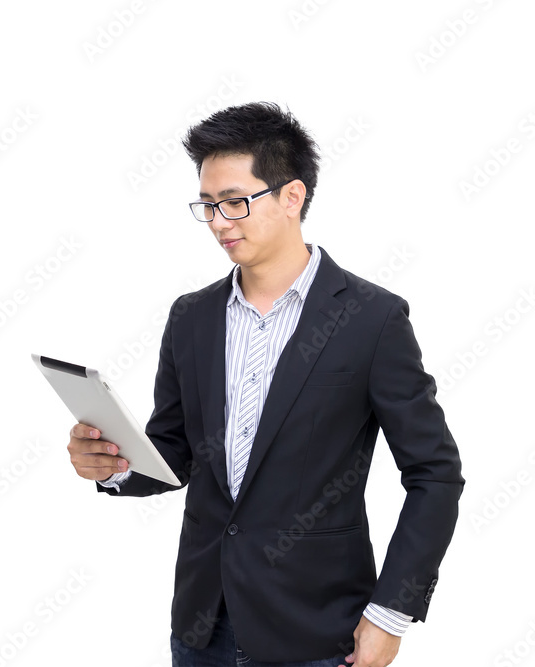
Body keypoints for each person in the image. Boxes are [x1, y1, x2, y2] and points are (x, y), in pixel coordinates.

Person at [68, 101, 465, 667]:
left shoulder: (372, 320)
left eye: (235, 201)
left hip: (318, 633)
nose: (220, 222)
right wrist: (114, 466)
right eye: (207, 206)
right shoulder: (192, 317)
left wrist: (389, 615)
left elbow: (435, 475)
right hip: (203, 628)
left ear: (292, 197)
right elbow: (177, 454)